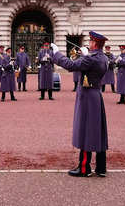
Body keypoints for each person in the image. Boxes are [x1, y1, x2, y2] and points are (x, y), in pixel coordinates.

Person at [49, 31, 109, 177]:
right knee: (97, 131)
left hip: (87, 97)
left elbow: (70, 65)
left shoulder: (92, 59)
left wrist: (57, 53)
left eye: (90, 41)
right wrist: (85, 55)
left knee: (86, 131)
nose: (89, 43)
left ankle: (84, 168)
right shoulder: (103, 57)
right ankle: (101, 167)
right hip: (96, 95)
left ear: (94, 43)